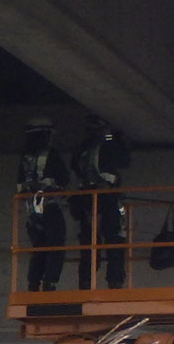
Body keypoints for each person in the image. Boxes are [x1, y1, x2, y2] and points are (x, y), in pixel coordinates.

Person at [71, 114, 132, 290]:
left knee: (90, 242)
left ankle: (86, 281)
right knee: (114, 239)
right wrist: (121, 142)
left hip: (86, 199)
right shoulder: (108, 146)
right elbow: (124, 161)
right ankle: (115, 281)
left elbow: (74, 167)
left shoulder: (81, 149)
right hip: (107, 197)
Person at [15, 117, 70, 292]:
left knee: (39, 248)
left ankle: (33, 283)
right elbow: (63, 178)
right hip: (50, 207)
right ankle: (50, 282)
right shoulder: (50, 154)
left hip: (31, 211)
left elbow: (20, 184)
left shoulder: (25, 157)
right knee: (56, 244)